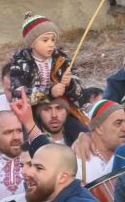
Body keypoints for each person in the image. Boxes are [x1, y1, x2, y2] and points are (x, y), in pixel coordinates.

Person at [7, 13, 85, 143]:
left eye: (53, 40)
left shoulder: (63, 60)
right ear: (32, 43)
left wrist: (70, 85)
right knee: (28, 141)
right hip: (32, 113)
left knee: (84, 134)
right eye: (45, 40)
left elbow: (80, 94)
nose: (50, 44)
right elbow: (18, 95)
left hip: (63, 109)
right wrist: (49, 92)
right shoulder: (20, 63)